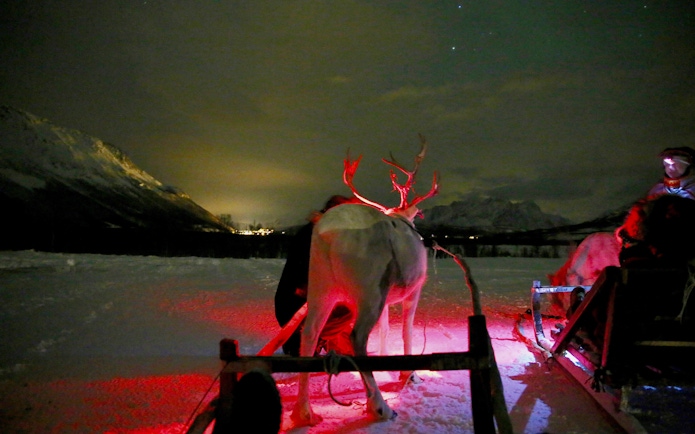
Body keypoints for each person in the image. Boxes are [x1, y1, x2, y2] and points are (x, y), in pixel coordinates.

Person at [274, 195, 358, 356]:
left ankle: (324, 341)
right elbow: (306, 268)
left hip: (306, 301)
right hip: (296, 304)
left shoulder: (323, 232)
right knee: (345, 312)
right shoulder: (314, 234)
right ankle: (311, 341)